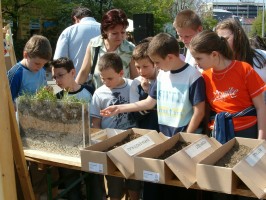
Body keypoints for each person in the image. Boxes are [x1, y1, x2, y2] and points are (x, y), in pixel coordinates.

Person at [189, 30, 266, 143]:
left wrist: (261, 140)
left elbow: (261, 107)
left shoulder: (244, 70)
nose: (195, 63)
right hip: (219, 133)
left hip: (247, 132)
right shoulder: (204, 76)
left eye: (199, 58)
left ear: (214, 54)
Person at [90, 53, 140, 200]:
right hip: (111, 146)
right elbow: (96, 122)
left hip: (133, 143)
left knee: (134, 183)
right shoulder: (99, 93)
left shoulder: (133, 85)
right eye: (102, 78)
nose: (105, 82)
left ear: (121, 73)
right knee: (114, 185)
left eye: (110, 78)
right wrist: (99, 143)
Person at [49, 57, 92, 200]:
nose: (57, 81)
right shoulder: (56, 96)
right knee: (71, 184)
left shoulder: (89, 91)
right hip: (66, 148)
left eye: (60, 75)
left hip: (89, 146)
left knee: (94, 184)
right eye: (54, 77)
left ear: (72, 72)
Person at [75, 8, 138, 89]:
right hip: (98, 97)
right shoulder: (94, 44)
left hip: (124, 99)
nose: (119, 37)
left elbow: (135, 78)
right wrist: (72, 93)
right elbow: (84, 72)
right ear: (105, 30)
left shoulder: (131, 49)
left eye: (123, 32)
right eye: (114, 33)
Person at [53, 6, 100, 74]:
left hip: (76, 81)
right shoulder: (106, 30)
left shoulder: (68, 31)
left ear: (75, 18)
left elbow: (58, 60)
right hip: (105, 81)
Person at [7, 35, 52, 104]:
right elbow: (8, 102)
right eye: (37, 63)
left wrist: (49, 92)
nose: (40, 67)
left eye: (44, 64)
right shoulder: (16, 74)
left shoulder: (44, 70)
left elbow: (51, 90)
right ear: (26, 55)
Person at [130, 37, 159, 132]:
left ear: (154, 63)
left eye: (145, 66)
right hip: (146, 132)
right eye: (137, 67)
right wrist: (145, 94)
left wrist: (148, 92)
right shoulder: (136, 83)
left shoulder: (164, 80)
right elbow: (134, 115)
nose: (141, 71)